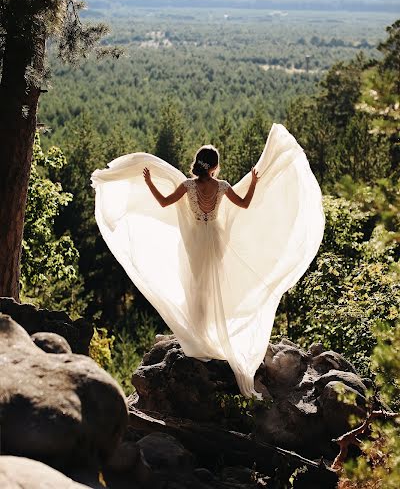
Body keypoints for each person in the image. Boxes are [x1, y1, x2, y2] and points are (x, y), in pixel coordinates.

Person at [91, 123, 325, 397]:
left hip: (193, 243)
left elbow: (164, 202)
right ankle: (214, 334)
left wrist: (149, 183)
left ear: (198, 164)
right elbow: (246, 204)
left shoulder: (187, 185)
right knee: (214, 285)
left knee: (197, 286)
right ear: (214, 167)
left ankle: (200, 336)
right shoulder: (222, 186)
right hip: (215, 240)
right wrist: (255, 184)